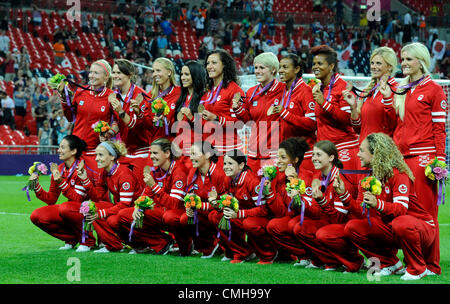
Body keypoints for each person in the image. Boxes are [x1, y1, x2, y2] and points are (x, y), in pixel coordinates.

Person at [342, 133, 436, 280]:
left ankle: (417, 269)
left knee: (401, 222)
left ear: (375, 153)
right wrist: (344, 195)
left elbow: (401, 209)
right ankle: (390, 264)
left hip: (421, 227)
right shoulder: (368, 178)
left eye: (362, 150)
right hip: (392, 228)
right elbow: (361, 211)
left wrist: (377, 204)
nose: (358, 154)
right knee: (352, 227)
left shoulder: (398, 174)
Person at [389, 42, 447, 276]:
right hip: (402, 160)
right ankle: (415, 261)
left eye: (409, 59)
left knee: (426, 213)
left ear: (421, 62)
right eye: (402, 59)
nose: (403, 63)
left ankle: (431, 265)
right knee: (406, 214)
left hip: (424, 159)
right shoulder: (402, 89)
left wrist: (439, 161)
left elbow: (439, 129)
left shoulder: (434, 89)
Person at [292, 140, 358, 270]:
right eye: (313, 155)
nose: (314, 159)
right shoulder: (321, 178)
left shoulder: (341, 179)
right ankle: (328, 261)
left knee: (322, 233)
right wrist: (300, 201)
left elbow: (340, 218)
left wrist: (322, 201)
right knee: (300, 228)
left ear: (331, 157)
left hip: (347, 226)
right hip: (329, 222)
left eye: (318, 155)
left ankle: (354, 261)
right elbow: (317, 212)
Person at [116, 138, 187, 255]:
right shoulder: (156, 171)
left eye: (155, 153)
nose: (152, 157)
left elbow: (174, 204)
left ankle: (187, 244)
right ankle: (162, 243)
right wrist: (137, 207)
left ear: (167, 153)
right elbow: (145, 195)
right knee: (123, 215)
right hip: (162, 213)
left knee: (168, 216)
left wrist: (154, 186)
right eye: (150, 153)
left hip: (177, 216)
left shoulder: (179, 171)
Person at [74, 140, 142, 252]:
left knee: (112, 219)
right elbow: (98, 198)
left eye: (100, 155)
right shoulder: (105, 172)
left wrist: (100, 213)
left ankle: (138, 244)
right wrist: (85, 179)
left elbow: (125, 205)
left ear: (112, 157)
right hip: (123, 210)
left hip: (135, 212)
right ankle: (113, 246)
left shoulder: (124, 174)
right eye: (96, 155)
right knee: (89, 207)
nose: (96, 158)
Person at [208, 149, 274, 264]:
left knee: (249, 223)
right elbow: (229, 203)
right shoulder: (228, 179)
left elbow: (264, 210)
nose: (226, 167)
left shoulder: (251, 181)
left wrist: (239, 214)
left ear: (241, 165)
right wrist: (217, 204)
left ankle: (268, 254)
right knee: (215, 216)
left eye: (230, 163)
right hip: (244, 215)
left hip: (261, 218)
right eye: (224, 163)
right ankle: (243, 252)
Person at [30, 135, 92, 250]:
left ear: (73, 151)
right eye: (59, 147)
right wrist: (36, 186)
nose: (58, 150)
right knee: (36, 216)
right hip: (72, 209)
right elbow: (51, 199)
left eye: (63, 147)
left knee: (65, 207)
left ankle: (87, 241)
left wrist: (61, 182)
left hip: (89, 209)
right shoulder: (59, 169)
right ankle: (71, 238)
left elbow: (78, 199)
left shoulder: (81, 168)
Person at [60, 59, 119, 177]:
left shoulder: (112, 96)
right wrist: (63, 98)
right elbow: (70, 117)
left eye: (96, 73)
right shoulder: (80, 91)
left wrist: (109, 134)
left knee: (96, 191)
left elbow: (118, 122)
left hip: (96, 152)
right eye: (91, 72)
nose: (91, 76)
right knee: (74, 192)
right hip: (75, 151)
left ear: (106, 76)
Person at [266, 137, 318, 266]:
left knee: (294, 224)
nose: (278, 161)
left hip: (310, 219)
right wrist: (269, 193)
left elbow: (307, 210)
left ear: (295, 160)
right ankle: (304, 256)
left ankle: (316, 256)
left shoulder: (306, 177)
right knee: (273, 225)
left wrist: (293, 182)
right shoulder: (279, 178)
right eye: (278, 157)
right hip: (293, 219)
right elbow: (283, 211)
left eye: (283, 157)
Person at [170, 141, 226, 257]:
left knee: (213, 216)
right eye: (190, 154)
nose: (191, 158)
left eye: (195, 154)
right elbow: (190, 195)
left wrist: (201, 206)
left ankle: (223, 245)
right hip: (202, 212)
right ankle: (204, 246)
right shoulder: (193, 172)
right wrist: (189, 206)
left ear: (207, 155)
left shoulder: (220, 173)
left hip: (218, 212)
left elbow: (224, 204)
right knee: (185, 218)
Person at [310, 45, 360, 171]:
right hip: (325, 151)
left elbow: (348, 120)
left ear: (331, 66)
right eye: (314, 63)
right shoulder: (320, 88)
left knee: (345, 190)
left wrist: (324, 103)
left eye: (319, 63)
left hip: (343, 149)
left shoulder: (343, 88)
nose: (315, 67)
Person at [232, 52, 284, 172]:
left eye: (262, 67)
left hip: (274, 150)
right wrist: (238, 109)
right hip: (254, 150)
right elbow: (247, 121)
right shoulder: (251, 92)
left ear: (273, 70)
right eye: (256, 67)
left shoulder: (283, 90)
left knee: (270, 188)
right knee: (253, 186)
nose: (257, 71)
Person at [343, 47, 398, 144]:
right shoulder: (366, 91)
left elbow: (394, 125)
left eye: (378, 63)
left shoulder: (396, 89)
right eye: (372, 63)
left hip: (383, 150)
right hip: (364, 150)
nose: (374, 66)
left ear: (389, 66)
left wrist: (387, 98)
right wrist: (353, 107)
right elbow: (358, 128)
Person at [108, 59, 150, 188]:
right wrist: (109, 132)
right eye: (113, 72)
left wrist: (120, 111)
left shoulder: (140, 95)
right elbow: (117, 122)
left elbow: (134, 125)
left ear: (129, 75)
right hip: (125, 152)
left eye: (119, 72)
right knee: (124, 189)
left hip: (142, 150)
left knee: (141, 192)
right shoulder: (114, 96)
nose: (115, 76)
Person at [276, 53, 317, 172]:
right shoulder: (284, 90)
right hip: (288, 153)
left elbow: (312, 123)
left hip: (303, 155)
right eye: (280, 67)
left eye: (285, 67)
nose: (281, 70)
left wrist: (286, 114)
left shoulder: (305, 91)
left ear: (297, 69)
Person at [201, 49, 245, 157]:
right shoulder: (208, 90)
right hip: (209, 147)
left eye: (214, 63)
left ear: (224, 65)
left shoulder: (235, 90)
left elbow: (239, 124)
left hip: (227, 149)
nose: (209, 66)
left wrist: (216, 119)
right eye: (208, 63)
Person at [133, 57, 181, 150]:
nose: (155, 74)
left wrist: (166, 122)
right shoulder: (150, 95)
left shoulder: (179, 93)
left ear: (169, 72)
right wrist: (139, 112)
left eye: (158, 70)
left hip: (173, 146)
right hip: (154, 146)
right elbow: (147, 126)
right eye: (154, 71)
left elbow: (183, 124)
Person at [172, 60, 207, 170]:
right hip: (179, 153)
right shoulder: (182, 97)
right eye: (182, 74)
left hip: (194, 154)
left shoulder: (204, 97)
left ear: (196, 75)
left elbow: (206, 127)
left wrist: (192, 118)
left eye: (187, 74)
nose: (183, 77)